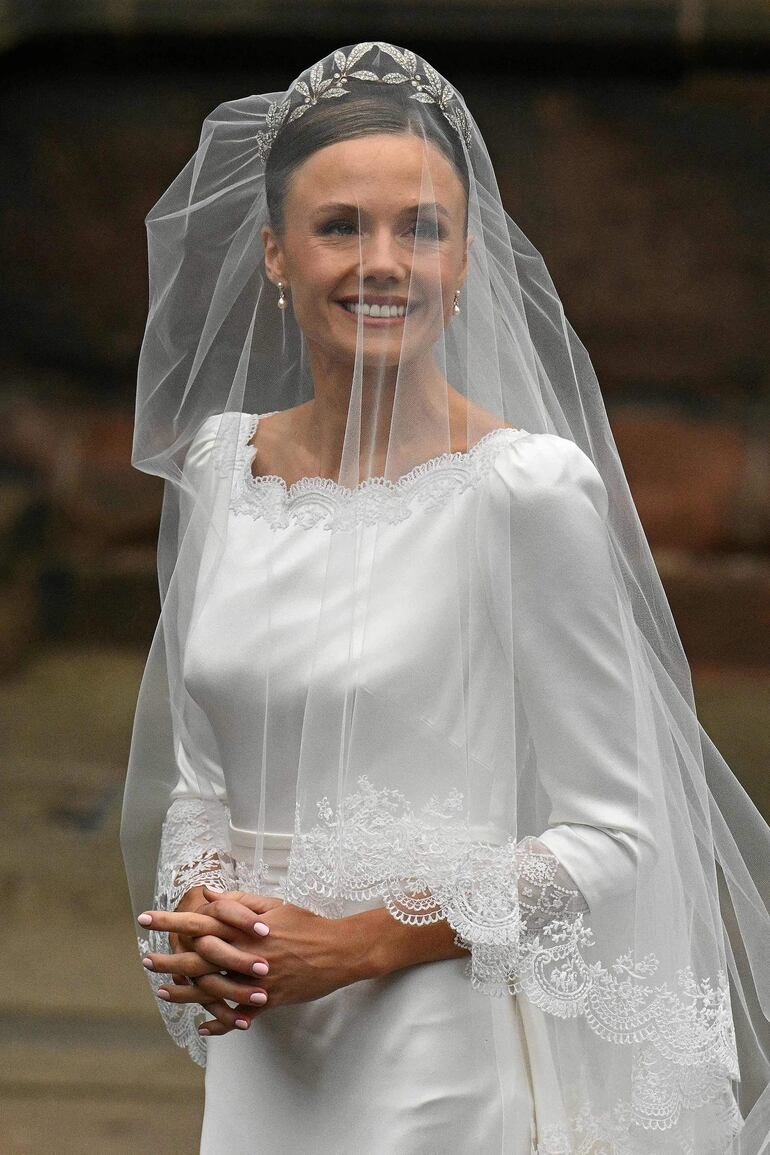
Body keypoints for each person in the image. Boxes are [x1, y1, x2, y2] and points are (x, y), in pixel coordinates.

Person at [122, 43, 770, 1153]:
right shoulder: (223, 472)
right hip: (263, 1043)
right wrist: (206, 916)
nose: (383, 262)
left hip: (435, 1049)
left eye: (419, 227)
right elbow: (200, 778)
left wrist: (363, 941)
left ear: (465, 258)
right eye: (340, 227)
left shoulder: (524, 493)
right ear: (275, 253)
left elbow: (617, 836)